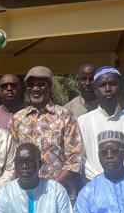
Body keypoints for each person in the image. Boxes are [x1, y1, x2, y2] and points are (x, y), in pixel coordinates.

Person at [8, 66, 82, 199]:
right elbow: (11, 160)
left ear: (50, 86)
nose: (35, 89)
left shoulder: (65, 116)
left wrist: (53, 187)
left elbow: (74, 158)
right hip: (26, 194)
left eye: (41, 84)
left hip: (60, 192)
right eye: (31, 85)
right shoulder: (17, 119)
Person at [77, 66, 124, 180]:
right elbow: (79, 159)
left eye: (113, 84)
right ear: (95, 90)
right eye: (102, 85)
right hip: (93, 185)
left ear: (121, 88)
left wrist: (119, 172)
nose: (108, 89)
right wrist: (101, 179)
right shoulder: (82, 122)